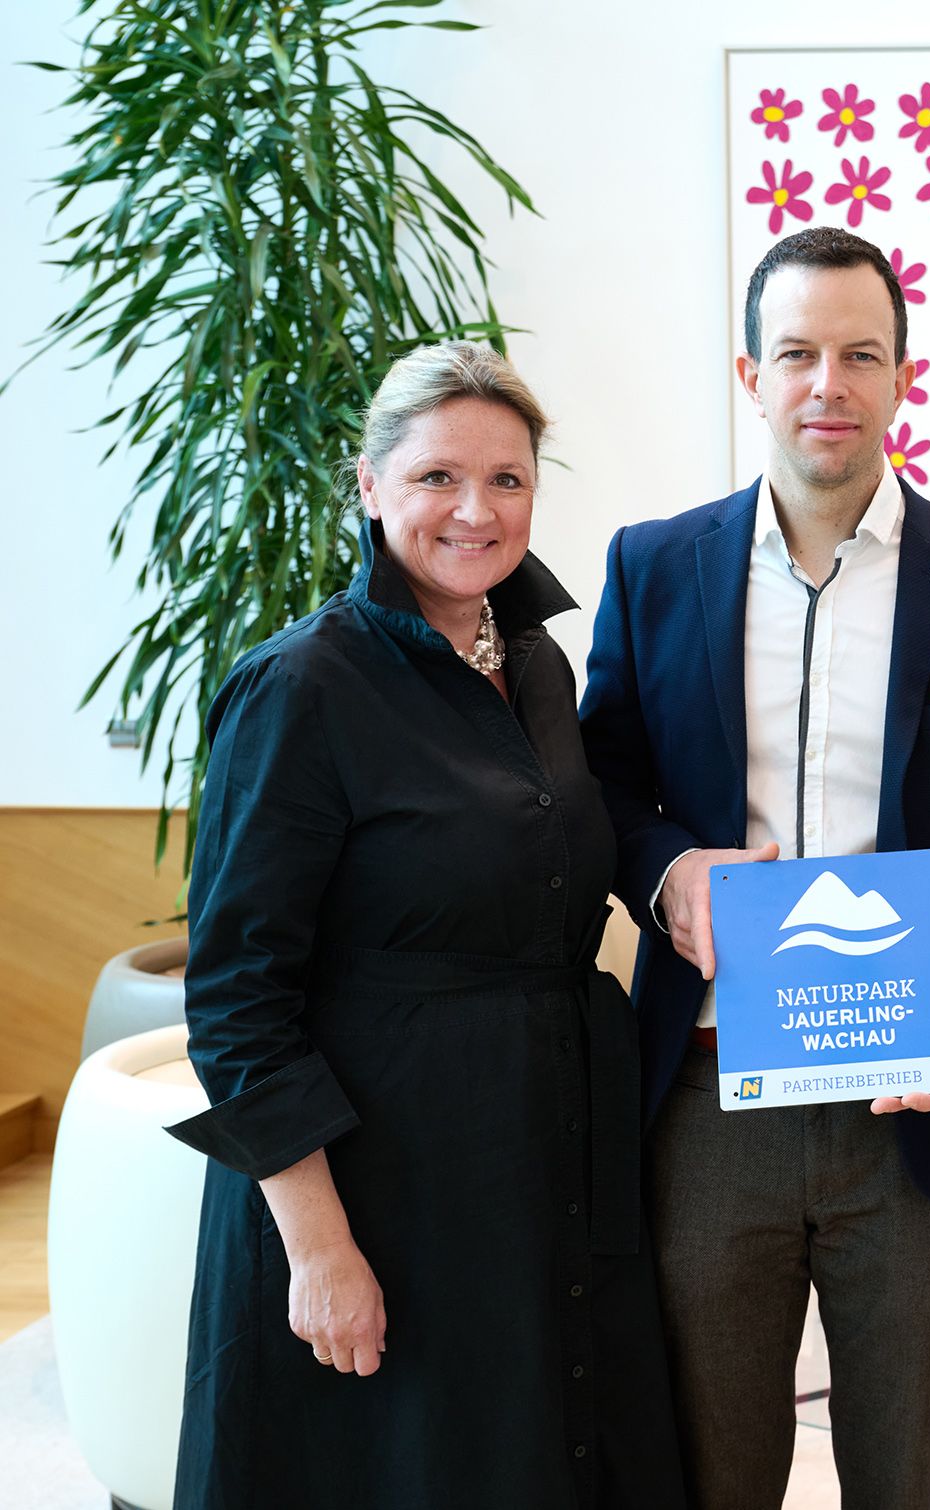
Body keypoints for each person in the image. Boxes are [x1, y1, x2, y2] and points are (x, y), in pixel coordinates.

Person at [579, 226, 930, 1508]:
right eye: (797, 352)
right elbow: (604, 786)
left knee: (907, 1465)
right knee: (710, 1460)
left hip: (908, 1099)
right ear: (749, 374)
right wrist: (665, 872)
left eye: (860, 354)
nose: (828, 384)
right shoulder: (651, 565)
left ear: (905, 376)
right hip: (703, 1094)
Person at [168, 342, 684, 1509]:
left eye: (507, 479)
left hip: (538, 1155)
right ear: (368, 483)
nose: (476, 509)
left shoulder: (544, 666)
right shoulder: (300, 686)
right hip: (379, 1180)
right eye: (439, 477)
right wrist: (317, 1247)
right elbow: (239, 1000)